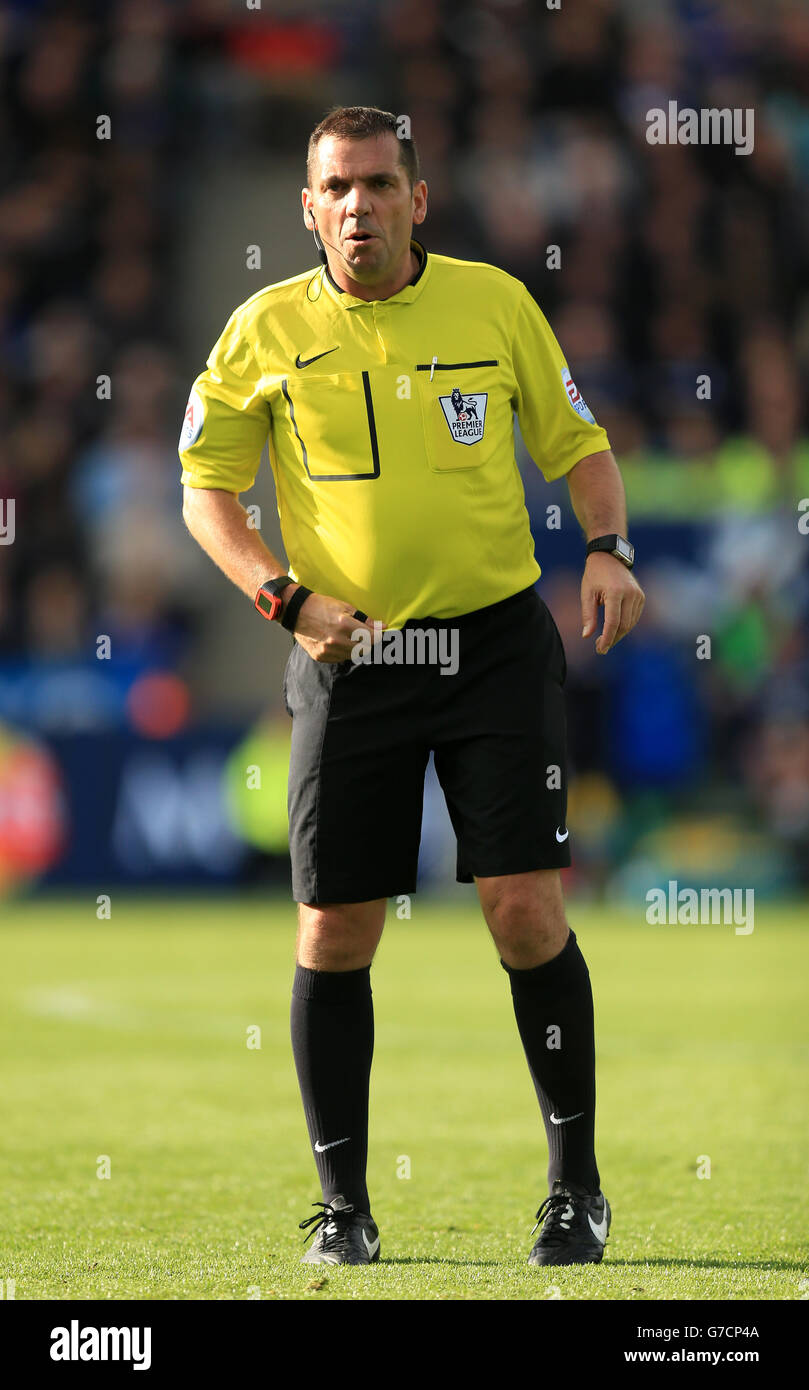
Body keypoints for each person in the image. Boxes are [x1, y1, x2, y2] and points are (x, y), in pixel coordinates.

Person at [180, 106, 645, 1268]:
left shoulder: (494, 304)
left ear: (417, 199)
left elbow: (578, 441)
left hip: (490, 644)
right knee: (335, 931)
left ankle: (573, 1191)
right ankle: (343, 1204)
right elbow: (205, 493)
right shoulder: (263, 330)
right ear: (306, 207)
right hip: (349, 656)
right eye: (336, 188)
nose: (358, 207)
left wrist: (606, 543)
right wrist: (284, 599)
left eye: (380, 185)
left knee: (524, 912)